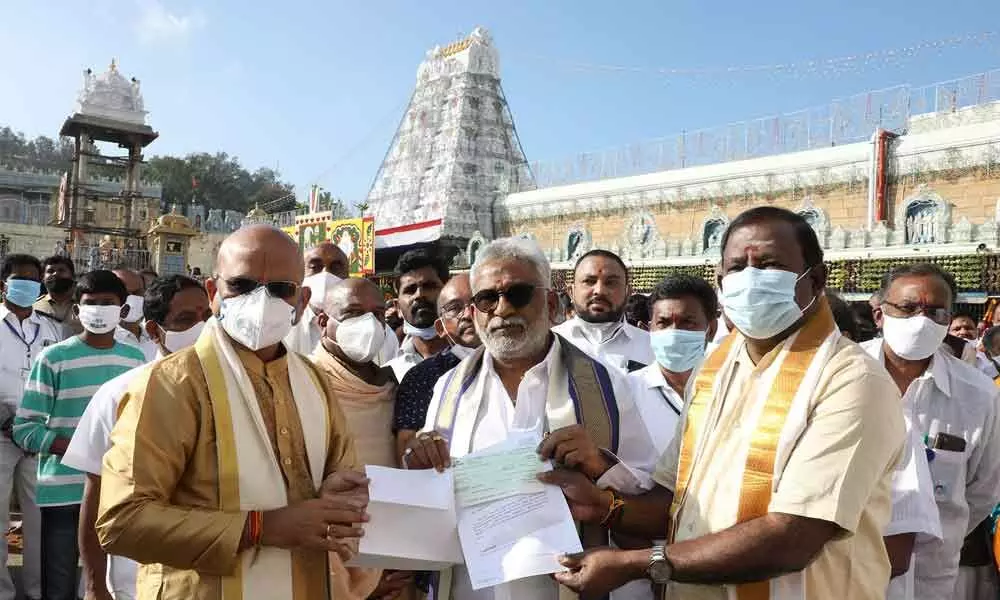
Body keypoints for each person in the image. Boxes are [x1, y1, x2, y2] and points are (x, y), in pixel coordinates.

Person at [545, 206, 906, 600]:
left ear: (815, 278)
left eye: (769, 264)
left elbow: (794, 536)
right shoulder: (715, 370)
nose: (750, 278)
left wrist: (636, 563)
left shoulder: (851, 379)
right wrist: (605, 505)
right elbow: (676, 500)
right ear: (720, 281)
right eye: (737, 267)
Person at [95, 225, 369, 599]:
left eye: (279, 290)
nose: (261, 301)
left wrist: (337, 492)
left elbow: (343, 476)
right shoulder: (171, 384)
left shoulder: (315, 382)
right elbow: (122, 521)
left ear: (302, 301)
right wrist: (260, 528)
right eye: (241, 286)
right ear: (213, 293)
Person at [406, 236, 657, 600]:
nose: (502, 309)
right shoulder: (448, 390)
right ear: (474, 311)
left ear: (552, 303)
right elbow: (435, 491)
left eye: (518, 294)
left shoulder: (607, 386)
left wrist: (601, 465)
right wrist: (421, 465)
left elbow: (652, 507)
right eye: (488, 298)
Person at [61, 274, 210, 600]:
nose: (203, 329)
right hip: (136, 580)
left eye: (208, 317)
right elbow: (96, 494)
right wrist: (94, 585)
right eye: (186, 320)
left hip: (213, 575)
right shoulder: (119, 395)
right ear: (155, 331)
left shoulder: (237, 392)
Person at [862, 263, 1000, 600]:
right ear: (880, 315)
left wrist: (939, 530)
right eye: (908, 309)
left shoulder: (978, 393)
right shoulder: (843, 375)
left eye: (936, 312)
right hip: (848, 570)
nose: (921, 321)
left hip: (932, 576)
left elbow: (983, 491)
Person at [14, 269, 146, 600]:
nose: (99, 309)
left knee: (109, 585)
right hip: (63, 492)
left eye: (108, 303)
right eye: (91, 303)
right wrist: (78, 448)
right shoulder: (53, 358)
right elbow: (26, 428)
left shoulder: (135, 361)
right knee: (58, 584)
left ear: (123, 310)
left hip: (116, 494)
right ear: (77, 310)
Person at [309, 277, 413, 600]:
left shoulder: (395, 386)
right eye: (354, 312)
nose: (368, 323)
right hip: (330, 568)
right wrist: (362, 583)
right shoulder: (302, 384)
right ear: (324, 322)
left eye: (378, 314)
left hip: (398, 558)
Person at [0, 255, 63, 600]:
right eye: (18, 279)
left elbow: (58, 376)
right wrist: (8, 422)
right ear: (3, 284)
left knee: (40, 520)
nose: (26, 286)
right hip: (1, 434)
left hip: (38, 437)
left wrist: (38, 425)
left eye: (32, 280)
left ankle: (39, 591)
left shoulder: (49, 327)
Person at [394, 273, 480, 463]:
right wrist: (422, 448)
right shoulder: (422, 377)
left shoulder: (523, 362)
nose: (468, 314)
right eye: (454, 308)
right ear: (440, 328)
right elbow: (406, 451)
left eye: (477, 302)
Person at [629, 275, 717, 454]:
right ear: (649, 329)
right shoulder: (626, 391)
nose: (674, 333)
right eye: (664, 323)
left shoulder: (730, 386)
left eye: (688, 322)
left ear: (710, 330)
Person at [553, 249, 654, 372]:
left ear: (628, 292)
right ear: (571, 291)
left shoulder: (652, 348)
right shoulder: (549, 345)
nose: (599, 291)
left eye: (611, 283)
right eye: (589, 281)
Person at [385, 249, 450, 382]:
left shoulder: (475, 359)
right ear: (397, 306)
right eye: (410, 290)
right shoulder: (390, 374)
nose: (419, 295)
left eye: (429, 286)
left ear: (448, 293)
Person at [34, 255, 81, 339]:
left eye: (61, 270)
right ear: (42, 278)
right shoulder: (34, 307)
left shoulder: (84, 305)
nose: (55, 274)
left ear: (73, 276)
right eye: (50, 271)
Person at [111, 267, 153, 360]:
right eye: (124, 293)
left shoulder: (155, 336)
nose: (132, 299)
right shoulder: (101, 341)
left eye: (137, 292)